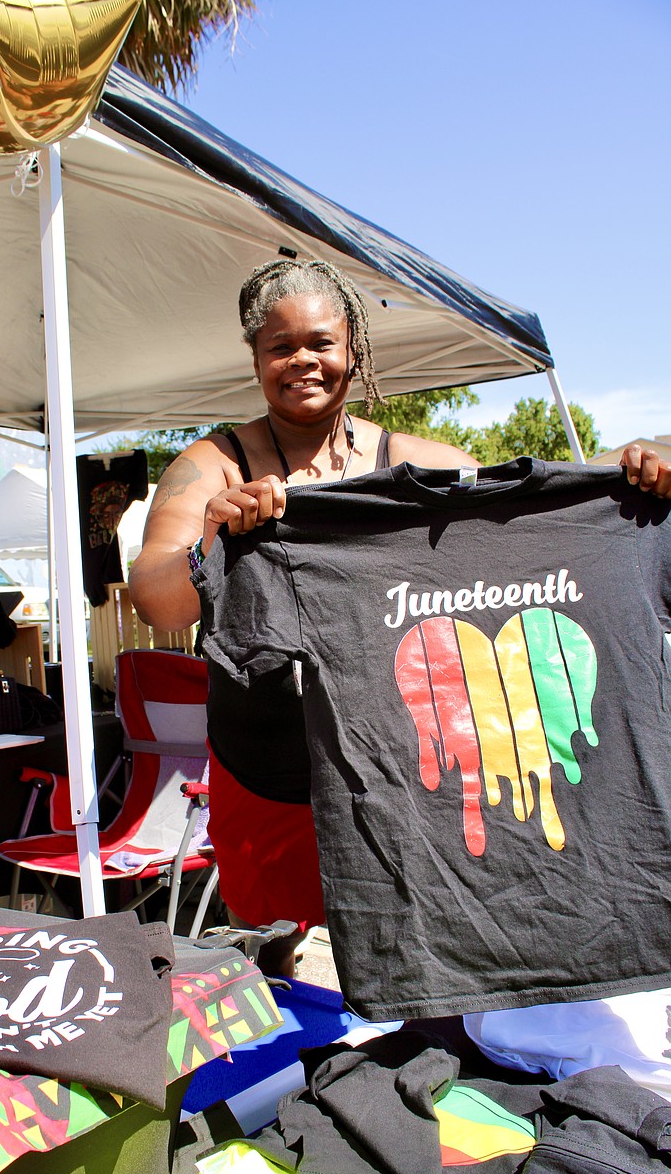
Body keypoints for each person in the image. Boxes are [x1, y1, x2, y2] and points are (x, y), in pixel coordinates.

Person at [129, 258, 671, 974]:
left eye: (319, 342)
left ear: (352, 348)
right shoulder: (214, 467)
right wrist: (210, 537)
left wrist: (628, 470)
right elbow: (155, 595)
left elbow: (519, 518)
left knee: (408, 962)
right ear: (255, 356)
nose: (302, 361)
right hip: (270, 775)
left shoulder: (411, 459)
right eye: (279, 347)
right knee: (281, 984)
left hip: (401, 775)